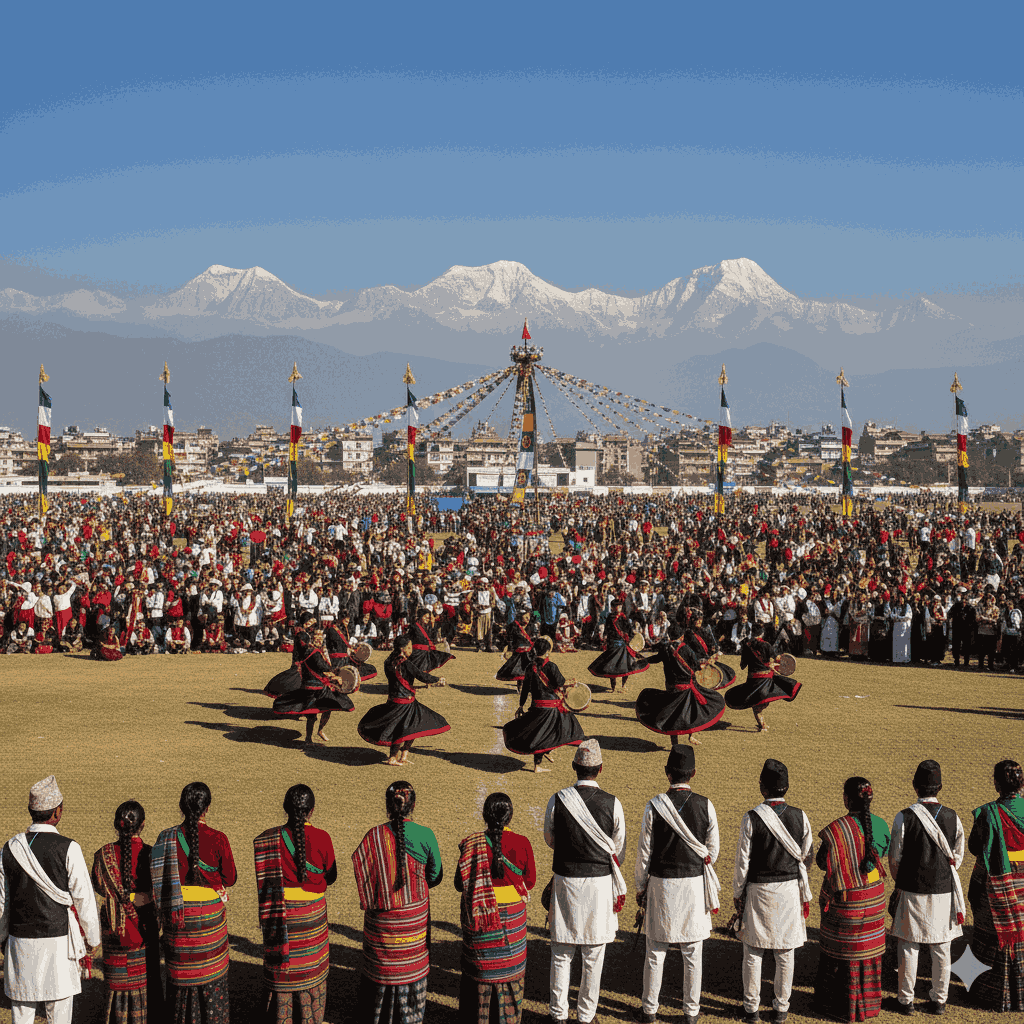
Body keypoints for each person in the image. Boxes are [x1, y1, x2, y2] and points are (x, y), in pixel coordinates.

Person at [0, 774, 101, 1024]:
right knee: (60, 1016)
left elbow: (2, 903)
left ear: (30, 810)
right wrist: (93, 938)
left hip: (20, 944)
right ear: (58, 812)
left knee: (21, 1016)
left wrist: (2, 939)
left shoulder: (9, 848)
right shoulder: (69, 848)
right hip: (58, 947)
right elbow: (84, 899)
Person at [633, 745, 720, 1024]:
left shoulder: (654, 805)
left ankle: (649, 1010)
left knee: (655, 952)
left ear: (667, 773)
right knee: (692, 953)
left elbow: (644, 853)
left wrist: (640, 888)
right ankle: (691, 1013)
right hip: (694, 885)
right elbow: (712, 852)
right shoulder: (705, 804)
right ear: (693, 773)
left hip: (661, 885)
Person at [544, 738, 627, 1024]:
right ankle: (586, 1015)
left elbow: (550, 838)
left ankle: (558, 1014)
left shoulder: (558, 799)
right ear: (600, 769)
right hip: (598, 885)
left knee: (561, 952)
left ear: (574, 766)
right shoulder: (613, 803)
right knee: (593, 955)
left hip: (565, 881)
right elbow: (618, 849)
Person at [351, 781, 443, 1024]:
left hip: (381, 924)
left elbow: (365, 876)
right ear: (412, 806)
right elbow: (435, 876)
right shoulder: (425, 834)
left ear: (388, 806)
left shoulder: (373, 835)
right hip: (414, 919)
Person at [733, 758, 813, 1024]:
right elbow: (807, 856)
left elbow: (742, 862)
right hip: (789, 890)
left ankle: (751, 1009)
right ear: (786, 787)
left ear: (762, 787)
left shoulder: (752, 817)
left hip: (758, 891)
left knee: (753, 953)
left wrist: (738, 892)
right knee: (785, 953)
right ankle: (781, 1009)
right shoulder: (800, 816)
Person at [151, 781, 237, 1024]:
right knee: (212, 979)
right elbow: (230, 878)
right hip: (210, 922)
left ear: (181, 806)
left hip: (177, 919)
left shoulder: (165, 837)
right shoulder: (219, 838)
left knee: (180, 979)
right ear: (207, 808)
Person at [254, 784, 338, 1024]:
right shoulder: (322, 837)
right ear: (311, 811)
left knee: (282, 967)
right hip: (312, 917)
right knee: (311, 966)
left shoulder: (268, 838)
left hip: (279, 916)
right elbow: (330, 877)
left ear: (285, 809)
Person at [888, 759, 965, 1016]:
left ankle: (905, 1000)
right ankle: (939, 1000)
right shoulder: (952, 816)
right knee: (941, 947)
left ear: (914, 786)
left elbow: (895, 857)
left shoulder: (904, 816)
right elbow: (958, 856)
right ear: (939, 787)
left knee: (908, 946)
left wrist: (900, 883)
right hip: (943, 890)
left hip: (911, 889)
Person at [813, 778, 891, 1022]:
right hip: (874, 898)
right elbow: (883, 854)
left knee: (839, 950)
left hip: (846, 900)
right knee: (867, 952)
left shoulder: (837, 830)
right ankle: (867, 1004)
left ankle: (835, 1004)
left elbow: (820, 862)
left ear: (846, 799)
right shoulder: (881, 825)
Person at [454, 793, 537, 1024]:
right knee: (510, 975)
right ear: (510, 816)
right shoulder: (522, 843)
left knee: (477, 975)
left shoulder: (471, 843)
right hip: (512, 923)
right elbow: (530, 882)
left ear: (484, 815)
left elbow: (459, 884)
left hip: (480, 921)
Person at [90, 799, 164, 1024]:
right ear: (142, 825)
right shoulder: (152, 854)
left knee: (117, 979)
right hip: (144, 928)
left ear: (117, 824)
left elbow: (98, 886)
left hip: (114, 928)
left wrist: (121, 898)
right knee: (147, 975)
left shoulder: (102, 855)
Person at [966, 759, 1024, 1012]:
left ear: (997, 784)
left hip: (996, 884)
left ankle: (990, 992)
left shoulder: (988, 813)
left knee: (993, 936)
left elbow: (974, 848)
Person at [358, 635, 451, 765]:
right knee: (403, 729)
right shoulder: (404, 662)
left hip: (396, 699)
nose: (411, 649)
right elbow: (420, 675)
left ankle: (404, 755)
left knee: (413, 726)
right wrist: (437, 679)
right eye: (409, 647)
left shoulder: (388, 661)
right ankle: (392, 757)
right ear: (402, 648)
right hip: (404, 703)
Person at [502, 636, 584, 771]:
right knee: (568, 730)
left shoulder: (529, 667)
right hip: (552, 709)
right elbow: (560, 683)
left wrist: (521, 705)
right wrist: (571, 683)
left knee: (538, 736)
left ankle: (538, 764)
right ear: (548, 652)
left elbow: (525, 689)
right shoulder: (551, 666)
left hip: (536, 709)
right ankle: (548, 750)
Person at [635, 635, 726, 747]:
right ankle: (690, 736)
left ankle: (675, 744)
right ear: (682, 636)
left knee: (672, 716)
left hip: (671, 686)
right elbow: (696, 666)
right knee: (691, 710)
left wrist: (644, 659)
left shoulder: (665, 648)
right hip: (686, 686)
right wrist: (707, 662)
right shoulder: (686, 649)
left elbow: (656, 659)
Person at [272, 626, 355, 746]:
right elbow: (324, 668)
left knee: (312, 714)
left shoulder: (301, 652)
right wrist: (335, 675)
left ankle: (308, 739)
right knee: (332, 704)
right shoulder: (314, 653)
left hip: (306, 687)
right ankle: (319, 730)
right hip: (318, 688)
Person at [726, 625, 801, 733]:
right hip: (766, 680)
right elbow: (779, 659)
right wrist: (775, 662)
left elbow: (742, 666)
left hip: (752, 681)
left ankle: (763, 724)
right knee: (761, 704)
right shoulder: (767, 645)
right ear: (762, 633)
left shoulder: (747, 646)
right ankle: (763, 726)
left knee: (756, 704)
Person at [587, 598, 649, 693]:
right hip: (612, 645)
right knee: (612, 668)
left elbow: (628, 629)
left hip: (623, 645)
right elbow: (607, 629)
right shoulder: (610, 617)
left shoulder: (623, 617)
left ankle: (623, 686)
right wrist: (605, 637)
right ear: (612, 607)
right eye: (616, 606)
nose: (618, 608)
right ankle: (613, 688)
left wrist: (633, 635)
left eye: (620, 606)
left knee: (627, 667)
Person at [495, 611, 533, 685]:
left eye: (529, 617)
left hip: (530, 652)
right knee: (520, 670)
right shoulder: (513, 626)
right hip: (519, 652)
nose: (528, 619)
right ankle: (521, 684)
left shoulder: (530, 627)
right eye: (526, 617)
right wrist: (509, 649)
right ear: (520, 616)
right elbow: (510, 640)